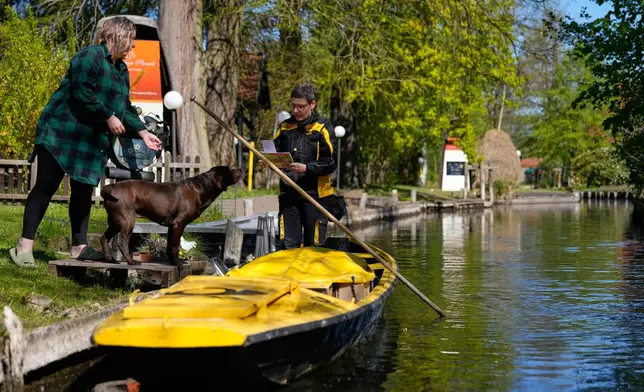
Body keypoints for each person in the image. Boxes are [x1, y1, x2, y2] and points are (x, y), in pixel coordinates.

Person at [9, 16, 162, 267]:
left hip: (90, 140)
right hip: (62, 132)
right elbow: (82, 92)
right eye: (131, 38)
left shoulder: (121, 70)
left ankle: (78, 247)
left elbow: (124, 108)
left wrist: (143, 132)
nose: (133, 45)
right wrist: (107, 116)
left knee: (82, 191)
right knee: (46, 186)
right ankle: (24, 247)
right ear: (116, 35)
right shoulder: (90, 56)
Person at [271, 83, 337, 249]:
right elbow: (275, 152)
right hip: (289, 193)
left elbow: (330, 162)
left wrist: (307, 168)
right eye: (293, 106)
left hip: (315, 196)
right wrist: (268, 161)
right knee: (287, 244)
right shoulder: (284, 127)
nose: (295, 111)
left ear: (312, 104)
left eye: (300, 107)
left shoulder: (323, 128)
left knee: (313, 246)